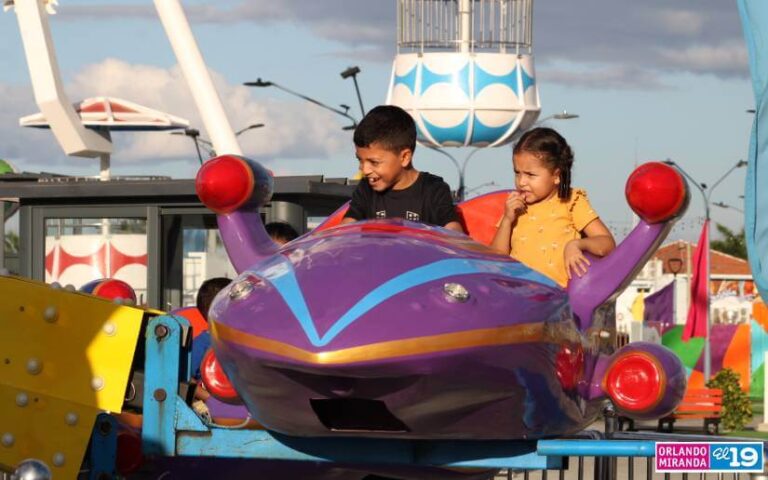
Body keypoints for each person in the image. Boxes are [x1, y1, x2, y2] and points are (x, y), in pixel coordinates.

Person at [491, 127, 615, 287]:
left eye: (530, 175)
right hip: (518, 297)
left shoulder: (571, 202)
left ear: (556, 176)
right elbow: (495, 260)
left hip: (555, 300)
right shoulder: (515, 208)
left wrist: (577, 245)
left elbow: (607, 244)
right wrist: (507, 220)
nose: (521, 182)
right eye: (517, 173)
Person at [341, 105, 463, 232]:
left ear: (404, 157)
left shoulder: (433, 190)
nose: (365, 170)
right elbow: (346, 230)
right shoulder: (366, 190)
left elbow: (454, 233)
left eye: (374, 162)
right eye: (360, 160)